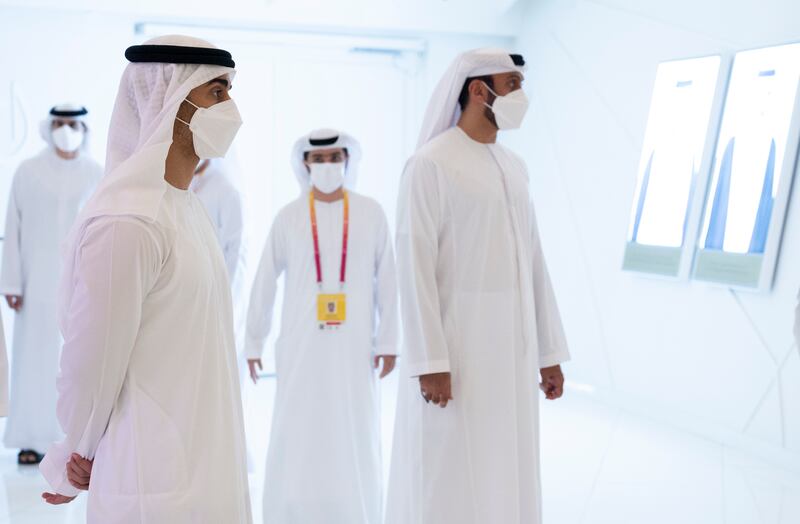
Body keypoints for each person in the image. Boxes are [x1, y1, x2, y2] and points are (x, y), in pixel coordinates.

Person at [38, 35, 252, 524]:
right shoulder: (128, 220)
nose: (231, 108)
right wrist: (76, 452)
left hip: (208, 466)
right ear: (170, 100)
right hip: (152, 476)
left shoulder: (186, 208)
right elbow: (91, 360)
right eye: (217, 92)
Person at [385, 48, 571, 524]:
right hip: (459, 353)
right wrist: (431, 361)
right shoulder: (431, 164)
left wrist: (549, 351)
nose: (520, 96)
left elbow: (533, 260)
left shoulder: (514, 166)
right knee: (452, 469)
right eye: (512, 85)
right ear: (477, 90)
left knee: (506, 464)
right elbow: (414, 265)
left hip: (513, 354)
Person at [245, 128, 398, 524]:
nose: (328, 166)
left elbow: (390, 282)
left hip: (355, 348)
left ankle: (352, 511)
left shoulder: (370, 212)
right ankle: (292, 511)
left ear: (348, 161)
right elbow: (264, 281)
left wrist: (388, 342)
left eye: (335, 158)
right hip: (300, 348)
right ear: (305, 164)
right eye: (320, 159)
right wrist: (253, 343)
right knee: (299, 428)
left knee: (354, 428)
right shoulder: (289, 217)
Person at [0, 104, 102, 465]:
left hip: (80, 286)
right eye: (59, 123)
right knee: (33, 361)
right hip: (34, 284)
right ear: (49, 127)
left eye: (72, 123)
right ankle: (30, 438)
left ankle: (70, 439)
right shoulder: (28, 172)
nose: (65, 130)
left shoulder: (97, 174)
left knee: (72, 363)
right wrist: (11, 281)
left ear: (83, 128)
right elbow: (12, 228)